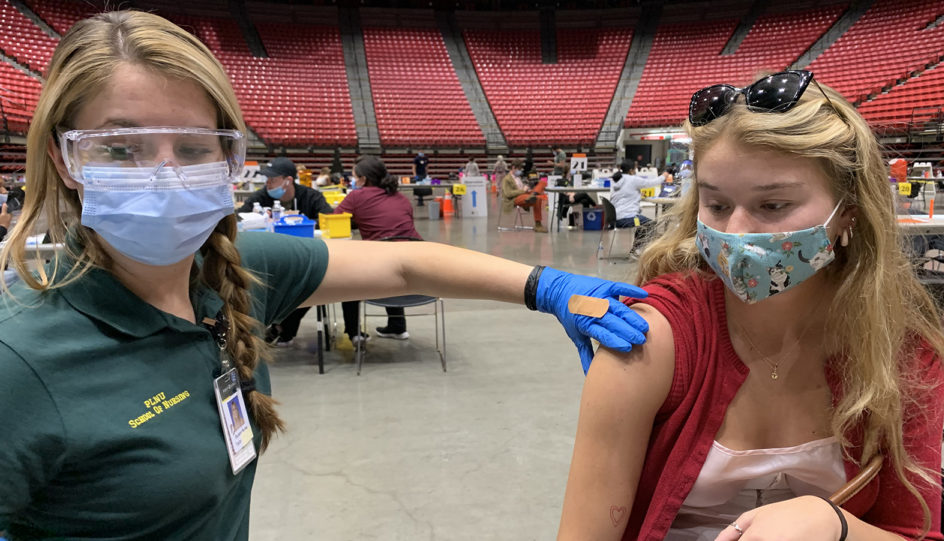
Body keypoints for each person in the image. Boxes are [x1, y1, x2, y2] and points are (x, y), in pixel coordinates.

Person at [0, 11, 652, 540]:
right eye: (121, 148)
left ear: (228, 159)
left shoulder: (230, 273)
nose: (166, 172)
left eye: (194, 147)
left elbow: (402, 261)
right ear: (62, 159)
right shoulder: (22, 357)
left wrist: (547, 286)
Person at [557, 71, 944, 540]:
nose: (738, 233)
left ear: (848, 209)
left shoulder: (899, 352)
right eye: (718, 205)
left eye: (773, 206)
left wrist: (836, 526)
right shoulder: (649, 339)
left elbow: (912, 532)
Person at [238, 157, 334, 347]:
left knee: (311, 283)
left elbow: (327, 218)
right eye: (267, 180)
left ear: (288, 180)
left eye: (272, 180)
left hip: (305, 256)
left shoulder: (310, 196)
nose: (268, 184)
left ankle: (283, 328)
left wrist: (300, 221)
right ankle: (262, 329)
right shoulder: (260, 197)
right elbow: (239, 216)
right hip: (270, 259)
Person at [335, 155, 420, 341]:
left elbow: (336, 219)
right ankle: (397, 326)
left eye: (355, 177)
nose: (353, 181)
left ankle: (354, 333)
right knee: (394, 254)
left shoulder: (357, 196)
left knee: (346, 279)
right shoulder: (401, 198)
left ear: (363, 179)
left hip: (382, 274)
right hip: (417, 272)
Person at [609, 158, 661, 254]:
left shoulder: (616, 180)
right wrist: (664, 176)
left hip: (614, 218)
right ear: (631, 170)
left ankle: (635, 248)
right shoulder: (632, 179)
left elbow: (624, 194)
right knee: (650, 224)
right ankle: (636, 249)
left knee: (642, 222)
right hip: (626, 218)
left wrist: (637, 194)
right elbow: (650, 183)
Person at [501, 159, 548, 233]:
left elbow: (522, 188)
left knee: (542, 183)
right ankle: (538, 225)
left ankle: (533, 195)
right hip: (514, 198)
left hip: (525, 194)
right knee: (538, 199)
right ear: (513, 167)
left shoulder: (518, 178)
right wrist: (523, 191)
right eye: (519, 169)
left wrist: (527, 188)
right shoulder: (506, 179)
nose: (520, 171)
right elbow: (508, 194)